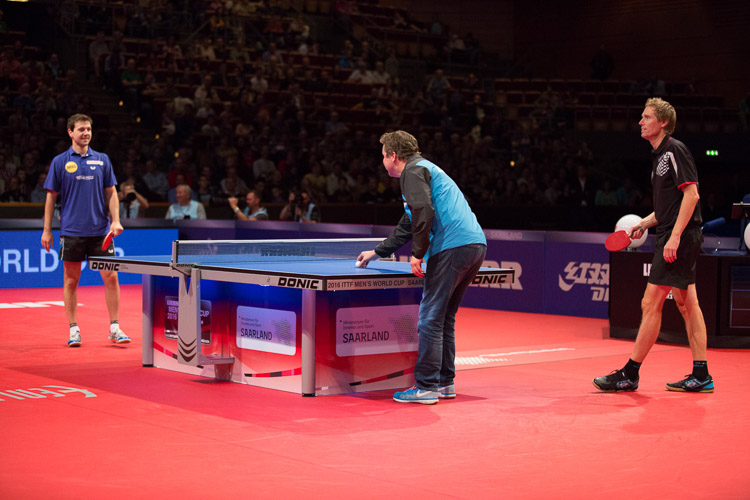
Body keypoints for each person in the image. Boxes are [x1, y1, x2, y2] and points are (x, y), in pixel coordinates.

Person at [356, 131, 487, 404]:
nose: (382, 161)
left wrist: (418, 253)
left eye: (383, 156)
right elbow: (409, 222)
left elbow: (423, 211)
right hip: (474, 245)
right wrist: (377, 252)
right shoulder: (426, 169)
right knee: (443, 318)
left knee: (429, 318)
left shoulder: (412, 172)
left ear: (394, 156)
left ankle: (426, 386)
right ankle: (444, 383)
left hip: (451, 245)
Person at [593, 98, 712, 393]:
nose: (640, 121)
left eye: (646, 117)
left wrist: (673, 238)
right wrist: (644, 224)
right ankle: (702, 375)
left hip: (679, 238)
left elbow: (692, 196)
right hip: (675, 233)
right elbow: (668, 207)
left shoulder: (674, 150)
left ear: (662, 123)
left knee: (650, 303)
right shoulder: (658, 158)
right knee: (687, 305)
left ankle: (630, 373)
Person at [41, 114, 130, 347]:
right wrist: (47, 230)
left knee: (111, 277)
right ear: (70, 132)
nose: (86, 133)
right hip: (71, 230)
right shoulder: (60, 162)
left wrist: (116, 220)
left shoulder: (102, 160)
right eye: (81, 129)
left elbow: (111, 192)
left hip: (100, 231)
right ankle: (73, 329)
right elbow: (51, 197)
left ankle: (114, 327)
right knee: (71, 280)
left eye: (88, 129)